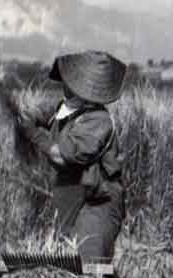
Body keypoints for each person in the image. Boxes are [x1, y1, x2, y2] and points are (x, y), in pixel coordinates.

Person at [17, 50, 128, 261]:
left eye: (70, 82)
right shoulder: (66, 109)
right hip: (73, 197)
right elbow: (44, 115)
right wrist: (27, 116)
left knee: (88, 259)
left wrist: (34, 134)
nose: (65, 86)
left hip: (98, 202)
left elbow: (61, 156)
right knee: (67, 257)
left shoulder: (98, 121)